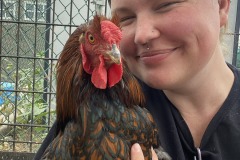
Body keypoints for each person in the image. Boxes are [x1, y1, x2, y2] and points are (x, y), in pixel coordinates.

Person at [35, 0, 240, 159]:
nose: (142, 35)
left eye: (165, 5)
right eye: (125, 18)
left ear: (221, 5)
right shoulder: (85, 118)